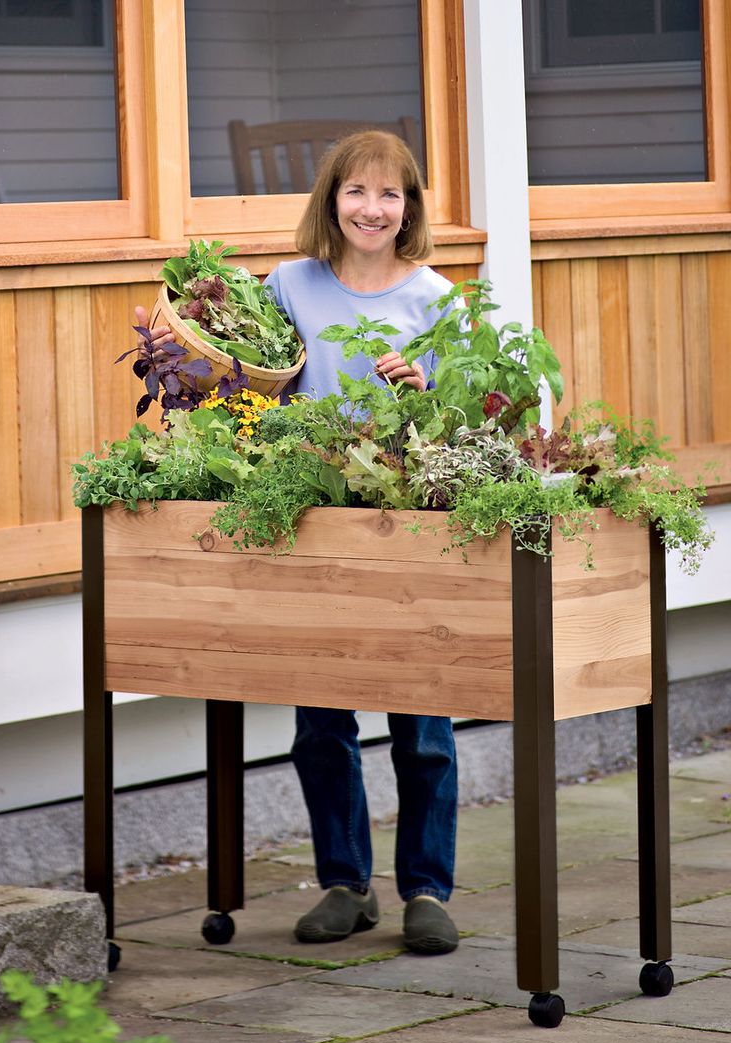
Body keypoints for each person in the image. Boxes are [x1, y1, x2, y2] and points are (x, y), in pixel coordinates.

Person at [137, 130, 459, 955]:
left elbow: (476, 413)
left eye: (390, 194)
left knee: (422, 721)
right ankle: (344, 884)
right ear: (331, 201)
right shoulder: (289, 286)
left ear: (410, 208)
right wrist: (185, 360)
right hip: (311, 518)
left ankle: (426, 890)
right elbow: (249, 383)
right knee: (322, 719)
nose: (373, 208)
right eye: (356, 191)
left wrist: (429, 390)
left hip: (405, 524)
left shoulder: (438, 300)